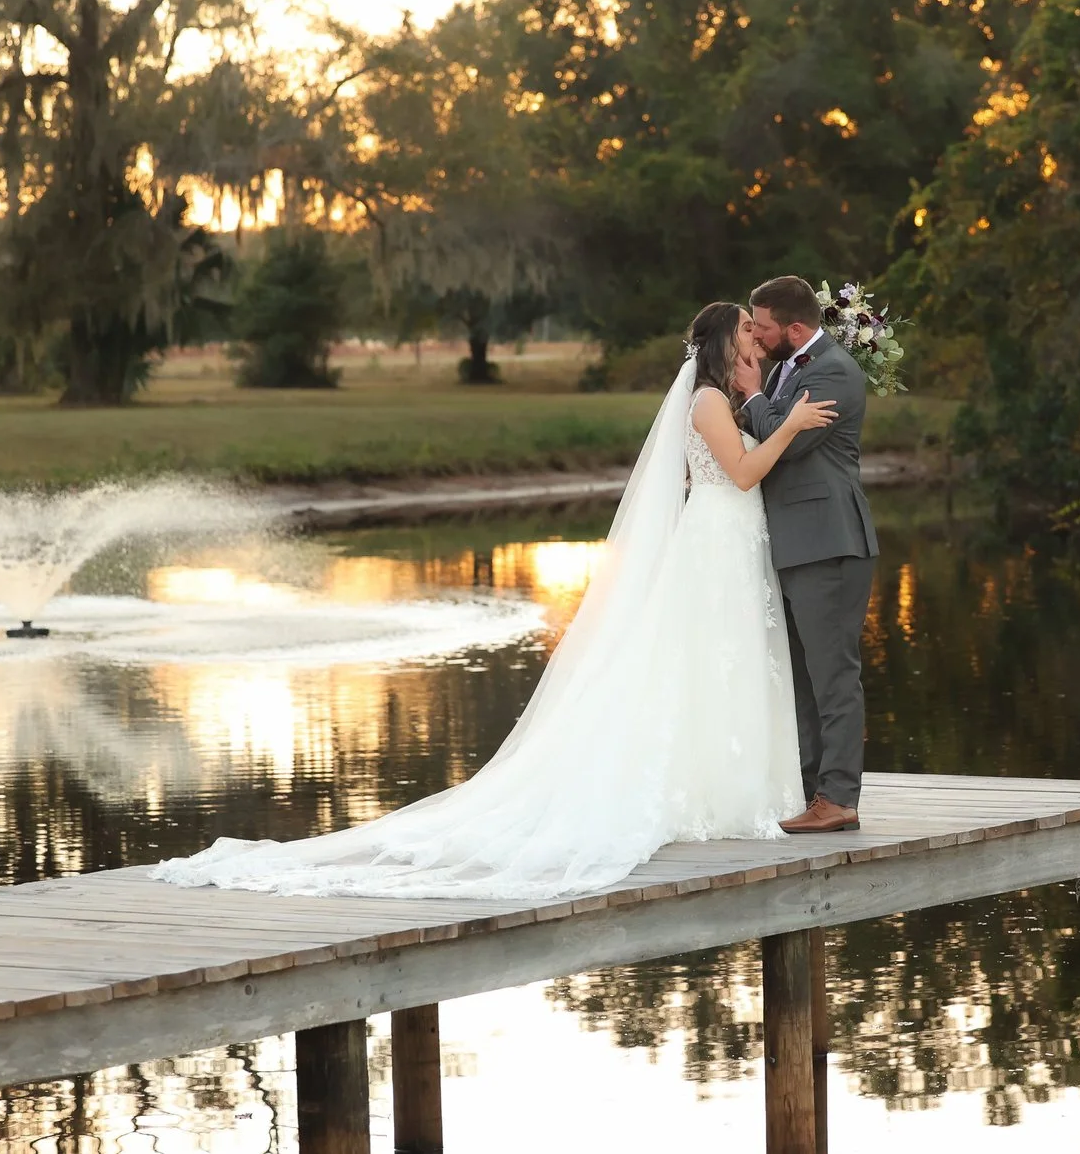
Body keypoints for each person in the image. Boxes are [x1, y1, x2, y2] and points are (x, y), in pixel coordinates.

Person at [153, 302, 838, 900]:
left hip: (731, 543)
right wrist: (791, 423)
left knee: (726, 665)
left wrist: (771, 408)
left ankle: (730, 785)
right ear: (725, 340)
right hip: (717, 540)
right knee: (705, 662)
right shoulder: (708, 402)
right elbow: (744, 474)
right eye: (747, 329)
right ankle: (702, 790)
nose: (757, 336)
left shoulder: (730, 394)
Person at [738, 274, 879, 834]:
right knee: (800, 678)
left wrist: (751, 396)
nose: (757, 333)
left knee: (833, 677)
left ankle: (839, 798)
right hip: (797, 545)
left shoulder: (835, 374)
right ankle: (810, 791)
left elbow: (788, 442)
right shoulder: (785, 369)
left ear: (795, 328)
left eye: (764, 326)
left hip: (830, 542)